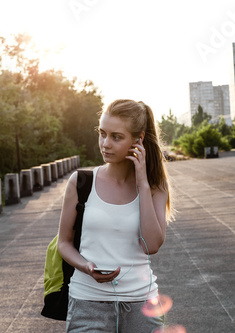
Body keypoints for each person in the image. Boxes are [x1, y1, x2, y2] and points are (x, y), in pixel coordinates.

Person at [57, 99, 174, 332]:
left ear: (138, 139)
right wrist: (86, 266)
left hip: (142, 303)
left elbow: (151, 245)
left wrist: (142, 183)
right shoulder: (81, 183)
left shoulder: (155, 186)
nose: (105, 144)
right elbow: (63, 243)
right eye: (102, 134)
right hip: (87, 303)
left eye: (116, 137)